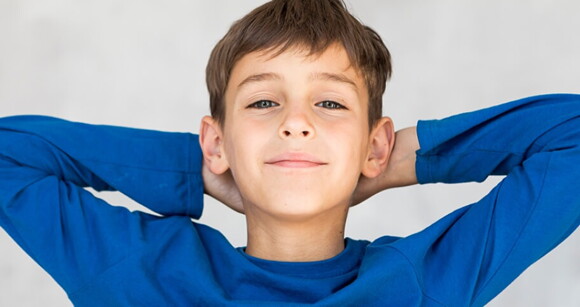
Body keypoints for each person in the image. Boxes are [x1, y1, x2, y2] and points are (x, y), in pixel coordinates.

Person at [0, 0, 578, 305]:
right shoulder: (142, 272)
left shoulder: (423, 282)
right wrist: (195, 169)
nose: (296, 124)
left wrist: (392, 162)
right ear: (217, 140)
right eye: (262, 104)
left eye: (329, 105)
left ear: (372, 142)